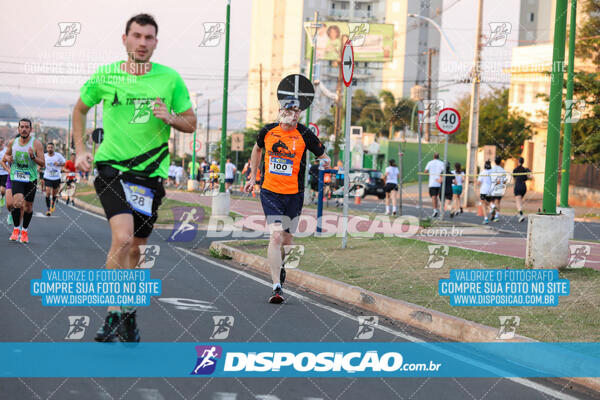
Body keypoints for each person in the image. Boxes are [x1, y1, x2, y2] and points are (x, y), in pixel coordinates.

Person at [72, 13, 196, 342]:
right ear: (125, 39)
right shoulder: (106, 75)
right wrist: (80, 149)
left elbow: (191, 122)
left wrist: (169, 117)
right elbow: (80, 110)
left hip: (150, 174)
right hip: (111, 168)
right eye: (137, 36)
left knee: (137, 248)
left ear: (156, 42)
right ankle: (113, 313)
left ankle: (129, 312)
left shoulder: (170, 79)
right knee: (123, 238)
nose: (142, 43)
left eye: (148, 37)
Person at [244, 95, 329, 303]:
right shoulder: (268, 131)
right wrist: (253, 176)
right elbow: (257, 149)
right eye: (290, 110)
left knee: (287, 240)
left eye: (297, 111)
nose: (294, 114)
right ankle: (276, 286)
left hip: (294, 194)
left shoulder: (305, 134)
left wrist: (325, 163)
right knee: (275, 236)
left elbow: (323, 156)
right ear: (281, 112)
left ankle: (280, 267)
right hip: (270, 191)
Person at [1, 119, 45, 243]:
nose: (24, 129)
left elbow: (43, 162)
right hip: (16, 177)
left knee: (28, 207)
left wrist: (33, 157)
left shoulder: (36, 144)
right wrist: (8, 168)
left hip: (30, 178)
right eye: (22, 127)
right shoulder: (12, 143)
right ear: (18, 129)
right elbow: (5, 159)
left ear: (30, 129)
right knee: (17, 203)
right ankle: (16, 229)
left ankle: (24, 231)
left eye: (26, 127)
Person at [43, 143, 66, 216]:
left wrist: (58, 164)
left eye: (51, 147)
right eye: (49, 147)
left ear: (53, 148)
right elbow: (40, 162)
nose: (50, 149)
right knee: (47, 192)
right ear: (47, 148)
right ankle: (48, 209)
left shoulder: (58, 156)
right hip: (47, 177)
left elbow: (64, 163)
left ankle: (52, 203)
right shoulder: (44, 156)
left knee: (54, 194)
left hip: (56, 177)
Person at [424, 153, 445, 218]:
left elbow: (425, 171)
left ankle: (435, 210)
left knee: (433, 197)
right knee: (440, 198)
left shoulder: (430, 162)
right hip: (439, 182)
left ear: (433, 157)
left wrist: (430, 175)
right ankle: (441, 212)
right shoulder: (441, 163)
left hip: (432, 182)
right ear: (439, 157)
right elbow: (444, 171)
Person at [512, 157, 531, 222]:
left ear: (518, 162)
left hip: (518, 186)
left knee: (518, 201)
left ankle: (521, 214)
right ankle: (519, 213)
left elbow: (514, 178)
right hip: (524, 186)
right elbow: (530, 177)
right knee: (520, 201)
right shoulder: (526, 169)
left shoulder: (515, 169)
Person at [489, 156, 507, 223]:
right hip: (500, 188)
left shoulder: (492, 170)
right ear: (500, 162)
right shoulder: (503, 170)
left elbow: (490, 179)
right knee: (498, 203)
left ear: (495, 161)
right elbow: (505, 181)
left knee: (491, 202)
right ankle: (496, 216)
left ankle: (493, 207)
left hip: (493, 188)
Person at [478, 160, 493, 224]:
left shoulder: (482, 173)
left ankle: (486, 218)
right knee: (487, 202)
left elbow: (479, 183)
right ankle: (491, 207)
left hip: (483, 190)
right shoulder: (492, 172)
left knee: (483, 204)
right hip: (490, 190)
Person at [0, 138, 8, 207]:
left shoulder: (6, 151)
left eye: (1, 142)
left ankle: (2, 197)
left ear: (3, 142)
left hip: (4, 173)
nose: (0, 143)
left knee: (2, 190)